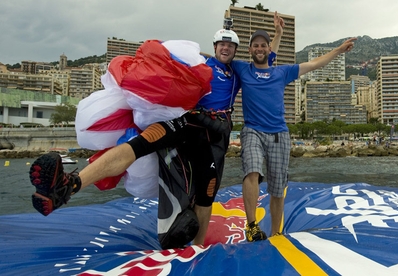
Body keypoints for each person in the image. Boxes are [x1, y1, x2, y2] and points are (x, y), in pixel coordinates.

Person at [30, 13, 283, 246]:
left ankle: (197, 248)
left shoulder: (240, 71)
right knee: (140, 144)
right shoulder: (201, 64)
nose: (226, 48)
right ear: (215, 47)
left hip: (214, 136)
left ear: (236, 50)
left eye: (231, 46)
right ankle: (68, 186)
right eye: (222, 45)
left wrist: (278, 33)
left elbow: (267, 59)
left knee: (208, 188)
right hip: (187, 122)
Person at [232, 26, 356, 241]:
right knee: (251, 171)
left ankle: (276, 233)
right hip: (252, 130)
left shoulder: (282, 72)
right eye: (256, 45)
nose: (259, 49)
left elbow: (315, 64)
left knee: (278, 187)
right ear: (250, 49)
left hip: (279, 133)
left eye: (263, 45)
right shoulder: (242, 69)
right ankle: (252, 226)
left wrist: (338, 50)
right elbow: (215, 58)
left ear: (269, 49)